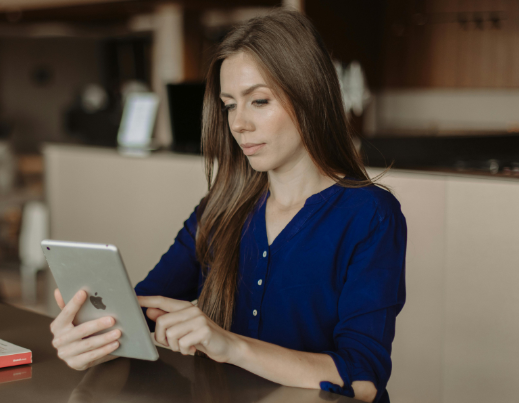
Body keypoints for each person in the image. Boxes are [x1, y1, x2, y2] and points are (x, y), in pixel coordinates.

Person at [49, 9, 406, 403]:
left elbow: (364, 380)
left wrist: (229, 345)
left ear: (309, 96)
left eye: (259, 101)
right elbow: (142, 311)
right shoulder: (218, 210)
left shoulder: (369, 214)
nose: (239, 124)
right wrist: (93, 338)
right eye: (229, 104)